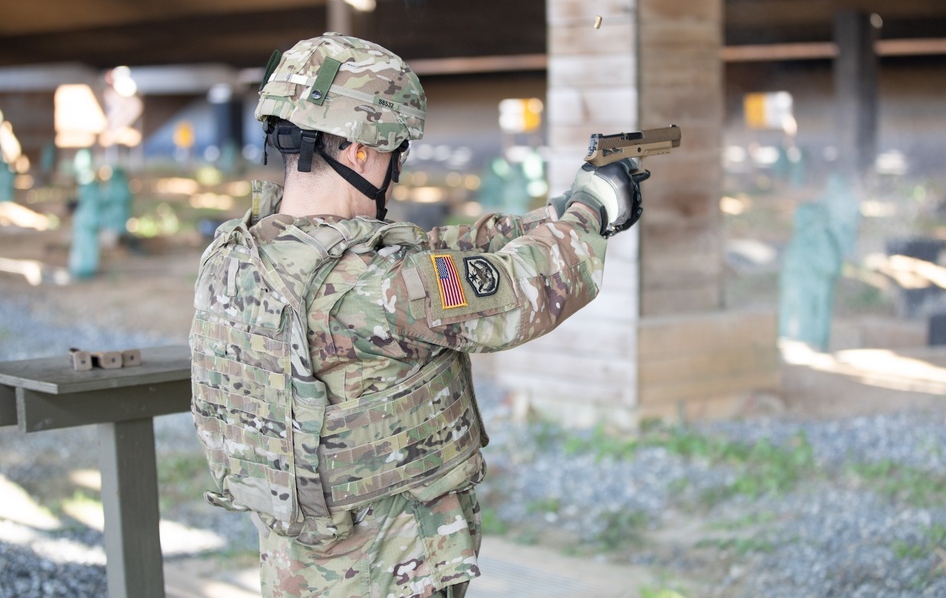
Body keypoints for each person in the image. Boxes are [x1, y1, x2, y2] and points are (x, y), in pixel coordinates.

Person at [189, 32, 649, 598]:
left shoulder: (239, 256)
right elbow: (524, 291)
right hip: (389, 570)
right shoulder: (376, 287)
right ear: (361, 150)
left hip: (296, 564)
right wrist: (592, 212)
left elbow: (429, 252)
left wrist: (552, 214)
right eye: (396, 150)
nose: (396, 167)